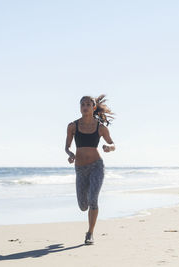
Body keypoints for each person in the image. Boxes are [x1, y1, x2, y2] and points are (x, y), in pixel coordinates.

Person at [65, 94, 116, 245]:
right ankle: (88, 197)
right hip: (80, 168)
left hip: (96, 166)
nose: (85, 107)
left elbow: (113, 143)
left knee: (93, 200)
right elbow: (67, 146)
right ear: (80, 107)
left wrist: (109, 147)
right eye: (83, 104)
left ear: (93, 107)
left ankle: (90, 233)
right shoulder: (72, 126)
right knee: (83, 206)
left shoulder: (100, 127)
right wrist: (70, 154)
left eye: (88, 104)